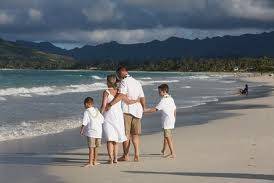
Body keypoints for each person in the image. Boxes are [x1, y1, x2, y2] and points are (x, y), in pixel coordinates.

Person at [106, 66, 146, 162]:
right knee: (135, 135)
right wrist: (143, 108)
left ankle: (126, 155)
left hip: (127, 111)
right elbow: (142, 97)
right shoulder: (137, 82)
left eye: (118, 75)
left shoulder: (124, 82)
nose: (118, 77)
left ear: (121, 73)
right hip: (137, 111)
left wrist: (110, 104)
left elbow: (121, 95)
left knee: (126, 135)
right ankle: (136, 154)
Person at [101, 74, 139, 164]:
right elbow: (128, 102)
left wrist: (99, 115)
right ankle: (115, 159)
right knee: (116, 139)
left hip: (108, 116)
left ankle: (110, 159)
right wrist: (137, 100)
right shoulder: (119, 92)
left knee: (110, 139)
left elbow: (103, 106)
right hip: (118, 117)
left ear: (107, 82)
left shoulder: (106, 92)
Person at [144, 84, 176, 159]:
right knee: (166, 136)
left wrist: (145, 111)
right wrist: (174, 118)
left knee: (168, 137)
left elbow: (155, 109)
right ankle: (164, 150)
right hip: (171, 120)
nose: (158, 93)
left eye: (159, 91)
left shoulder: (163, 100)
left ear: (164, 91)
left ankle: (172, 153)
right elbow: (174, 109)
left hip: (167, 121)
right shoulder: (171, 98)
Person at [80, 97, 104, 167]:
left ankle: (90, 162)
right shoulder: (97, 110)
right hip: (99, 132)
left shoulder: (86, 111)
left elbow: (84, 122)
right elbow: (102, 120)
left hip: (91, 132)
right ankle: (95, 161)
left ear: (87, 104)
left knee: (91, 148)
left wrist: (82, 130)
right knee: (96, 147)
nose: (84, 106)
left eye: (84, 104)